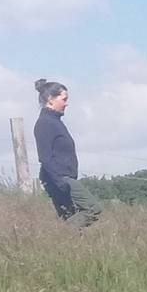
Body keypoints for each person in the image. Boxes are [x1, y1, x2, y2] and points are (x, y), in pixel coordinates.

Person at [32, 79, 100, 226]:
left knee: (70, 215)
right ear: (50, 99)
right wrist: (60, 182)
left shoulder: (55, 122)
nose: (66, 103)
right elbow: (45, 157)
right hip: (60, 179)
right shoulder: (45, 123)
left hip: (64, 178)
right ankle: (60, 234)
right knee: (92, 209)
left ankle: (66, 241)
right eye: (64, 99)